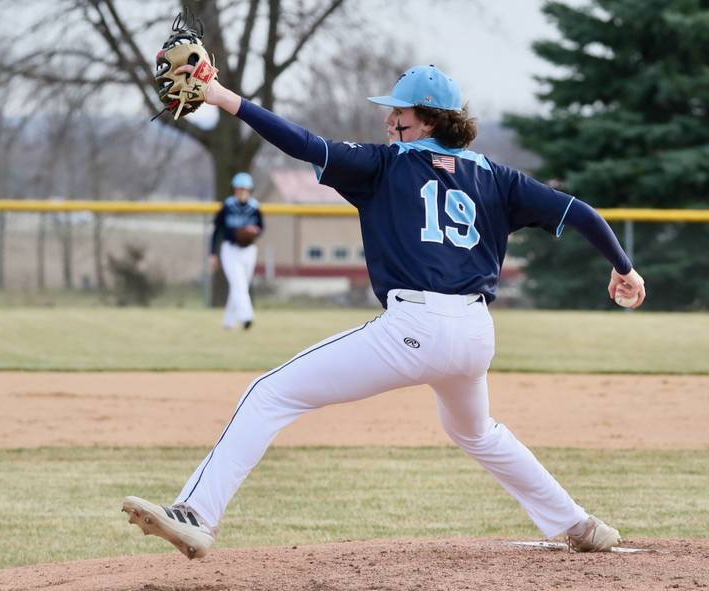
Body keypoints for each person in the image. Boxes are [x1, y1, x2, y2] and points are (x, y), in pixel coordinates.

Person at [123, 65, 646, 558]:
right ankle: (577, 524)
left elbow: (303, 142)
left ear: (434, 120)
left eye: (402, 114)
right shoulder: (497, 177)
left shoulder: (382, 164)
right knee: (477, 431)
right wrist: (624, 266)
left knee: (269, 392)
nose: (390, 120)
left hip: (415, 326)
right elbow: (581, 212)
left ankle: (196, 513)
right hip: (474, 336)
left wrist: (222, 98)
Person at [209, 172, 264, 330]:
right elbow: (216, 231)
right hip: (230, 249)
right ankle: (247, 317)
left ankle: (228, 321)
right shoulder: (227, 206)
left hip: (248, 250)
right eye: (239, 189)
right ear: (234, 190)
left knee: (240, 286)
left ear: (250, 190)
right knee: (239, 284)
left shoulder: (254, 207)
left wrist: (254, 231)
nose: (242, 192)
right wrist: (213, 253)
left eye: (245, 189)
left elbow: (261, 227)